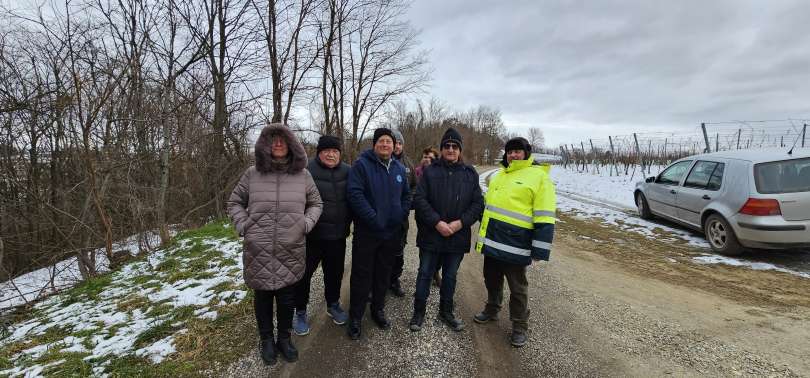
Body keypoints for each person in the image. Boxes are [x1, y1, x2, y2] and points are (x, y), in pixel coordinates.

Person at [227, 123, 323, 365]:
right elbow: (235, 202)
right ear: (264, 145)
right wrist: (244, 226)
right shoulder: (252, 174)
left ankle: (284, 339)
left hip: (290, 246)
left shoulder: (303, 175)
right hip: (258, 249)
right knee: (263, 297)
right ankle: (266, 340)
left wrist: (305, 225)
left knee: (287, 297)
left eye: (282, 139)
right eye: (273, 139)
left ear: (292, 144)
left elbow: (316, 204)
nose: (278, 143)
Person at [473, 136, 556, 348]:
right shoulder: (501, 175)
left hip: (517, 246)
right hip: (493, 242)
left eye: (518, 151)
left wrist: (539, 249)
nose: (513, 155)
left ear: (526, 153)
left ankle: (519, 326)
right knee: (491, 279)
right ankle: (492, 309)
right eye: (510, 151)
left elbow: (545, 216)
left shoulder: (539, 177)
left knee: (518, 288)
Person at [409, 128, 484, 332]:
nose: (450, 149)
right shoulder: (430, 171)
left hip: (457, 236)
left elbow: (477, 204)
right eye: (447, 146)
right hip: (431, 234)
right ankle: (418, 311)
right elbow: (420, 199)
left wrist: (460, 223)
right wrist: (437, 222)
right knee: (425, 273)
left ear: (460, 150)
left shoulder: (470, 174)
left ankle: (446, 311)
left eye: (454, 146)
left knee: (450, 276)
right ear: (441, 149)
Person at [346, 128, 411, 340]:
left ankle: (378, 310)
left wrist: (400, 215)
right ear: (374, 145)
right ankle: (355, 318)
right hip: (367, 232)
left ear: (394, 146)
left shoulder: (400, 169)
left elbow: (406, 197)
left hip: (391, 233)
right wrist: (373, 218)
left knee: (383, 274)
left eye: (389, 142)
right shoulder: (362, 165)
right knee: (361, 276)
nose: (385, 144)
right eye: (381, 141)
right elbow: (355, 195)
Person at [293, 135, 352, 336]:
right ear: (319, 152)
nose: (330, 154)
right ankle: (300, 311)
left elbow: (354, 198)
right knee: (303, 275)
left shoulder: (348, 171)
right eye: (326, 150)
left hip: (337, 236)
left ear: (339, 154)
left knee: (334, 274)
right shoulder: (306, 170)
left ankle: (333, 304)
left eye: (334, 151)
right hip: (311, 237)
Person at [389, 129, 416, 297]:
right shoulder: (380, 160)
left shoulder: (409, 165)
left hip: (401, 217)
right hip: (382, 216)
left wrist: (405, 206)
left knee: (399, 251)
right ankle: (377, 282)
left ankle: (394, 279)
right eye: (395, 143)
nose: (397, 146)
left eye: (400, 143)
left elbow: (414, 188)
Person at [414, 146, 442, 287]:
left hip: (438, 217)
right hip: (422, 217)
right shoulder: (417, 172)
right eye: (425, 157)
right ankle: (423, 280)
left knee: (439, 249)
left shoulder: (440, 173)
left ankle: (436, 271)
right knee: (424, 249)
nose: (427, 160)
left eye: (431, 158)